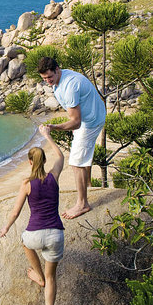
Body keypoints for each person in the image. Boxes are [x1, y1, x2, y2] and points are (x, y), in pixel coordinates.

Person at [0, 124, 64, 305]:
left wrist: (6, 228)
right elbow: (61, 156)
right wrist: (48, 136)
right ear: (44, 161)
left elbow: (15, 212)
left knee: (25, 244)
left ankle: (38, 275)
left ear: (29, 162)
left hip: (34, 234)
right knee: (52, 277)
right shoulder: (53, 176)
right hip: (55, 234)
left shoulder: (26, 184)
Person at [37, 56, 105, 219]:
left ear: (57, 69)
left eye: (49, 77)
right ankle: (87, 185)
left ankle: (82, 204)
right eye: (44, 78)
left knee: (76, 162)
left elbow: (75, 122)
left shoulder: (70, 86)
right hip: (90, 117)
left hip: (90, 122)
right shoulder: (62, 78)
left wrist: (53, 128)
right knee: (82, 156)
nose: (47, 81)